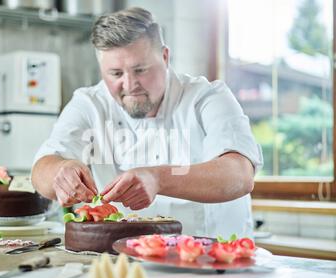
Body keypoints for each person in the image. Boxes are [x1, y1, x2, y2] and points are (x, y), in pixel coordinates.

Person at [31, 7, 263, 238]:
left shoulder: (207, 96)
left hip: (216, 260)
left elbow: (240, 175)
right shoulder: (89, 103)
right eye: (115, 74)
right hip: (124, 261)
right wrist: (61, 172)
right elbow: (42, 171)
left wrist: (157, 178)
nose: (130, 84)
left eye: (140, 70)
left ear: (164, 57)